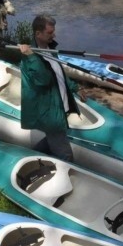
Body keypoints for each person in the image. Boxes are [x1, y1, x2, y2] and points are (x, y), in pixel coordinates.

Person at [18, 15, 86, 162]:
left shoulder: (49, 49)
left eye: (53, 31)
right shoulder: (28, 58)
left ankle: (30, 156)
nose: (54, 35)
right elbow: (43, 80)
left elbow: (58, 74)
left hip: (59, 105)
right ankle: (71, 173)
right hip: (48, 112)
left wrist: (75, 87)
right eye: (49, 32)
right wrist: (31, 57)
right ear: (38, 33)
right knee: (65, 155)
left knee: (53, 140)